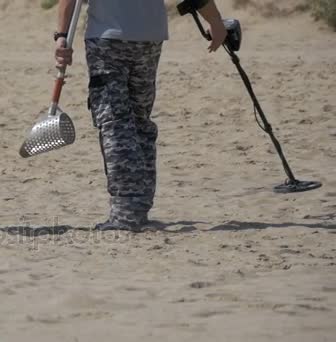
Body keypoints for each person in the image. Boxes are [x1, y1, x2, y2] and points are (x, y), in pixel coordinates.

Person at [54, 0, 227, 230]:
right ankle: (139, 206)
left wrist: (61, 35)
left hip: (108, 38)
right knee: (139, 121)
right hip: (149, 36)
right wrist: (215, 21)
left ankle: (127, 212)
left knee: (115, 123)